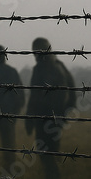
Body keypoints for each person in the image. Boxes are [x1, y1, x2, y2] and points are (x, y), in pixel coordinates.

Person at [25, 38, 76, 179]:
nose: (35, 55)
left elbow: (37, 96)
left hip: (47, 118)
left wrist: (56, 116)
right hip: (50, 118)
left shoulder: (50, 68)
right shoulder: (57, 65)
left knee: (47, 155)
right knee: (49, 153)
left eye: (36, 52)